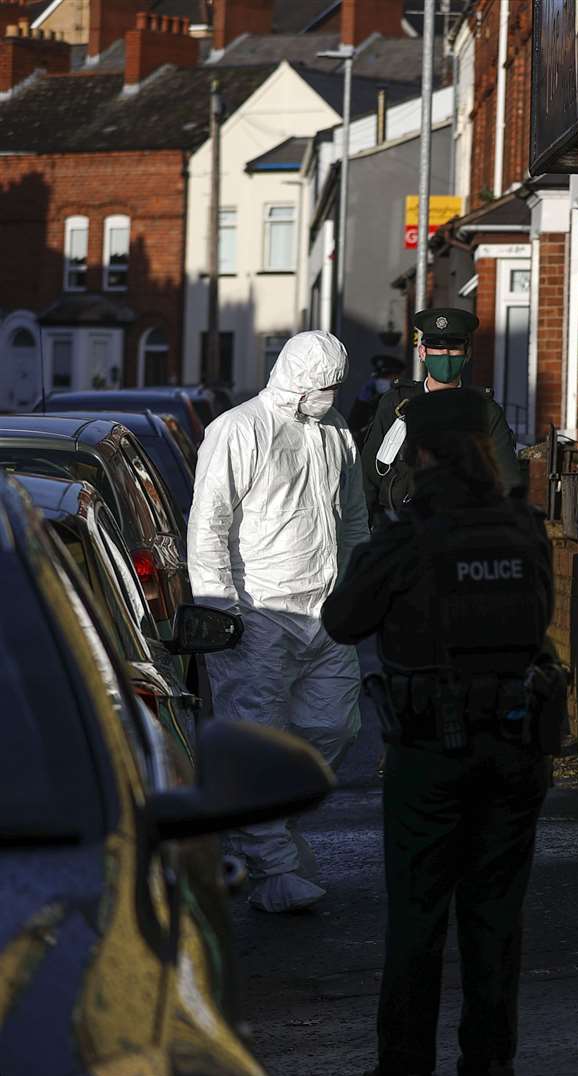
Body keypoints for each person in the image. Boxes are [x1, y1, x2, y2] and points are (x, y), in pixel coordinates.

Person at [321, 388, 563, 1076]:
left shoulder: (411, 537)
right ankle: (489, 1064)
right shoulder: (524, 529)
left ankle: (403, 1068)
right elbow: (539, 613)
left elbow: (342, 622)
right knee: (495, 919)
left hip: (431, 750)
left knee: (418, 918)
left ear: (424, 452)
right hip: (516, 746)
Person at [188, 330, 366, 913]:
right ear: (298, 380)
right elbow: (208, 524)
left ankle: (266, 833)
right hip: (259, 614)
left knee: (334, 728)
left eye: (336, 387)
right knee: (259, 737)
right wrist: (218, 608)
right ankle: (273, 870)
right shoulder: (239, 430)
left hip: (325, 610)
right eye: (325, 386)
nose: (331, 395)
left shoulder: (335, 432)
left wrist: (358, 588)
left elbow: (353, 519)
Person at [360, 308, 524, 528]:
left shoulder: (485, 411)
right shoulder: (395, 404)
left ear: (467, 354)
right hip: (400, 531)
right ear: (422, 352)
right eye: (437, 348)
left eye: (453, 349)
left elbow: (508, 483)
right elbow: (369, 478)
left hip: (462, 534)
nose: (445, 356)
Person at [348, 354, 406, 437]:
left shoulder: (401, 399)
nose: (381, 380)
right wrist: (361, 402)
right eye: (379, 377)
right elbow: (354, 427)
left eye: (386, 377)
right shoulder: (371, 399)